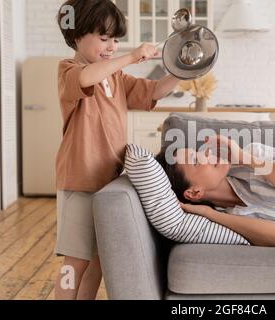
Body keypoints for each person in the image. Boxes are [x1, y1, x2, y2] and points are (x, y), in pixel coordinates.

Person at [54, 0, 180, 300]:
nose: (111, 46)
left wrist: (183, 69)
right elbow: (87, 78)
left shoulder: (116, 77)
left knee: (98, 259)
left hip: (108, 183)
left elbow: (154, 91)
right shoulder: (69, 69)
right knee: (76, 260)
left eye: (115, 40)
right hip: (80, 180)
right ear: (76, 35)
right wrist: (133, 55)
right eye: (103, 38)